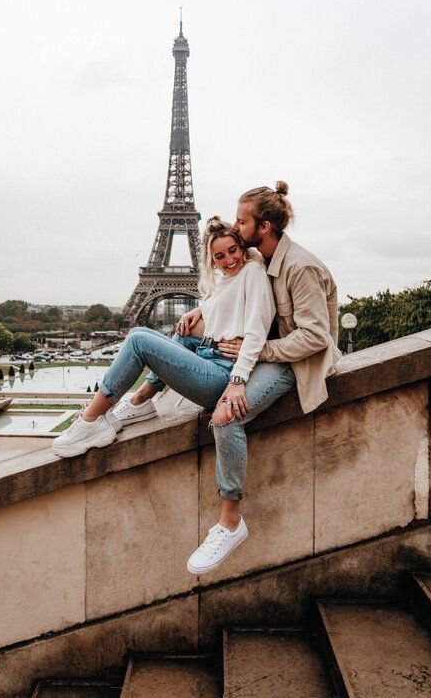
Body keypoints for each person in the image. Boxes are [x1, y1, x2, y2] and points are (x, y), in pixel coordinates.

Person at [123, 180, 341, 575]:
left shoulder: (300, 266)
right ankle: (143, 398)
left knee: (227, 417)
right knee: (184, 335)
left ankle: (230, 522)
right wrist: (202, 314)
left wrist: (250, 352)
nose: (236, 227)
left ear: (265, 227)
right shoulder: (258, 259)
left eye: (243, 221)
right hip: (259, 356)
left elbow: (315, 337)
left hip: (291, 364)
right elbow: (232, 295)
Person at [52, 216, 276, 572]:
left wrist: (237, 382)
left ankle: (92, 419)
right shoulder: (222, 281)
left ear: (242, 247)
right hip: (208, 356)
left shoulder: (252, 273)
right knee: (173, 331)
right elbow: (218, 316)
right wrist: (198, 311)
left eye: (233, 251)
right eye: (219, 256)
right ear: (210, 259)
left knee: (140, 338)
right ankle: (140, 401)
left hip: (221, 375)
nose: (229, 260)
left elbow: (257, 332)